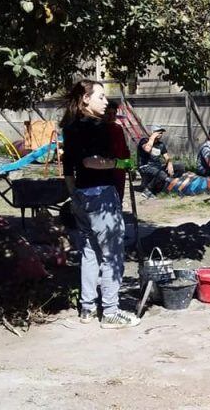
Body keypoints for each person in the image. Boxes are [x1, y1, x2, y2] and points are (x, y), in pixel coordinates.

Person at [60, 79, 140, 329]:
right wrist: (119, 164)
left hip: (81, 195)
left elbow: (68, 168)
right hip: (101, 196)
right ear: (86, 99)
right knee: (112, 254)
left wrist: (73, 196)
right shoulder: (97, 126)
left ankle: (87, 308)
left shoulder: (70, 126)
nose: (106, 102)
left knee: (89, 252)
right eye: (101, 97)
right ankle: (111, 312)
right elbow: (89, 161)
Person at [136, 125, 185, 198]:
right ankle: (148, 190)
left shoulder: (161, 145)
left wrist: (169, 163)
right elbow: (147, 149)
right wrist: (152, 137)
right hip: (145, 166)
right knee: (160, 173)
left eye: (161, 132)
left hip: (157, 168)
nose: (160, 134)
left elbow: (167, 157)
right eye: (158, 132)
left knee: (180, 167)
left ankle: (168, 186)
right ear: (152, 132)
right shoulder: (144, 141)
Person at [105, 100, 130, 201]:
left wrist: (128, 164)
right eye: (108, 113)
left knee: (119, 195)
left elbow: (124, 148)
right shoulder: (99, 129)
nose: (111, 116)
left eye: (114, 113)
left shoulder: (118, 128)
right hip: (105, 168)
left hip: (120, 167)